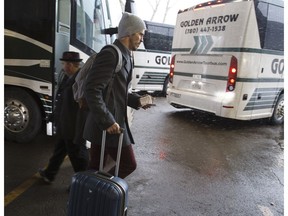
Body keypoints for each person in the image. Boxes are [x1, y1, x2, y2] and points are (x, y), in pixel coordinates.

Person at [83, 12, 152, 179]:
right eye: (140, 33)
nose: (142, 38)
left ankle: (88, 196)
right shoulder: (111, 53)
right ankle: (101, 192)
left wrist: (138, 101)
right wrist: (107, 120)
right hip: (109, 125)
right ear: (129, 32)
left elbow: (117, 91)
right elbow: (92, 89)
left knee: (96, 165)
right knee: (128, 164)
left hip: (110, 124)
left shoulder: (126, 55)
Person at [38, 51, 89, 184]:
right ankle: (49, 174)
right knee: (59, 151)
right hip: (64, 124)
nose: (63, 67)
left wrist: (78, 132)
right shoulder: (69, 77)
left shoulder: (80, 81)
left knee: (79, 159)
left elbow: (82, 109)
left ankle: (83, 185)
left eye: (64, 64)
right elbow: (62, 101)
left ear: (71, 65)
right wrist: (54, 116)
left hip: (73, 128)